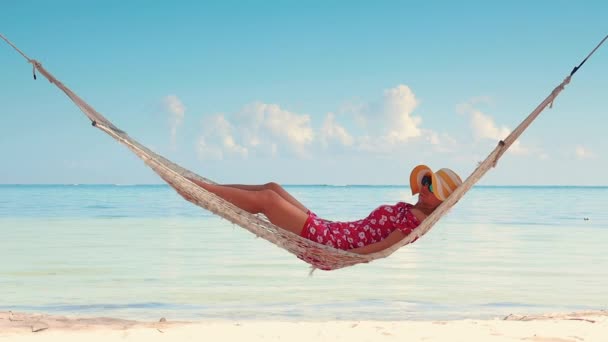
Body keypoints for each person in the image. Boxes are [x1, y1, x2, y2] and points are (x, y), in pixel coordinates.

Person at [177, 165, 462, 255]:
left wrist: (336, 255)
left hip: (329, 243)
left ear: (445, 201)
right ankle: (209, 189)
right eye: (426, 181)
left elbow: (380, 248)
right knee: (272, 187)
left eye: (433, 187)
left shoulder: (415, 223)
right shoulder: (412, 210)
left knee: (268, 200)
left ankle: (200, 192)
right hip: (329, 228)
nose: (425, 187)